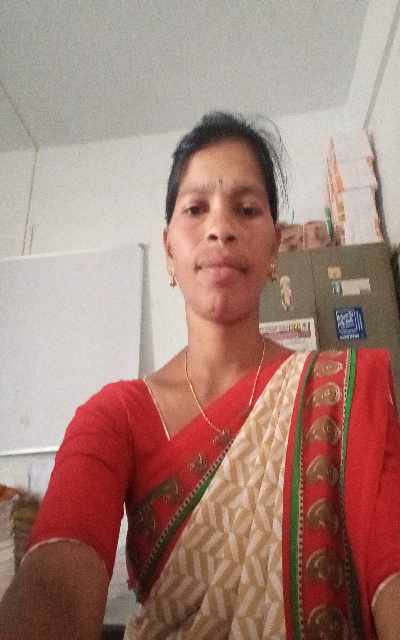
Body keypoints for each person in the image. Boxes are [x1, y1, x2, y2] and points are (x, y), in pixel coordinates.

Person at [0, 111, 399, 640]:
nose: (220, 228)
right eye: (195, 208)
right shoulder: (115, 416)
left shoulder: (340, 393)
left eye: (247, 209)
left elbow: (392, 567)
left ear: (275, 246)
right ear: (169, 248)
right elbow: (56, 579)